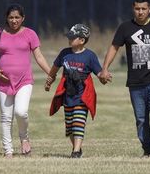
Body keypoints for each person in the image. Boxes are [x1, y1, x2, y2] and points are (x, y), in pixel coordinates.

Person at [99, 0, 150, 158]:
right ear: (133, 9)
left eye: (143, 9)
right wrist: (104, 69)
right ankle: (147, 148)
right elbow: (114, 48)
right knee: (141, 118)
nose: (140, 12)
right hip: (136, 82)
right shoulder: (125, 28)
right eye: (137, 9)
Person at [0, 4, 51, 158]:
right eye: (11, 17)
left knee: (21, 112)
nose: (14, 20)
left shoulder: (30, 34)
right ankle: (8, 151)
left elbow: (39, 56)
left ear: (23, 18)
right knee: (6, 117)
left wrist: (51, 73)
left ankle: (24, 138)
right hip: (4, 81)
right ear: (6, 18)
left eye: (17, 17)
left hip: (24, 80)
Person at [45, 24, 105, 158]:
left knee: (79, 122)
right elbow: (54, 69)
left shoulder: (90, 56)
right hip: (68, 96)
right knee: (70, 127)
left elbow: (99, 73)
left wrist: (104, 76)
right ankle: (76, 147)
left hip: (82, 96)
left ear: (82, 40)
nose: (69, 39)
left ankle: (76, 152)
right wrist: (49, 81)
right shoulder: (64, 54)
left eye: (72, 37)